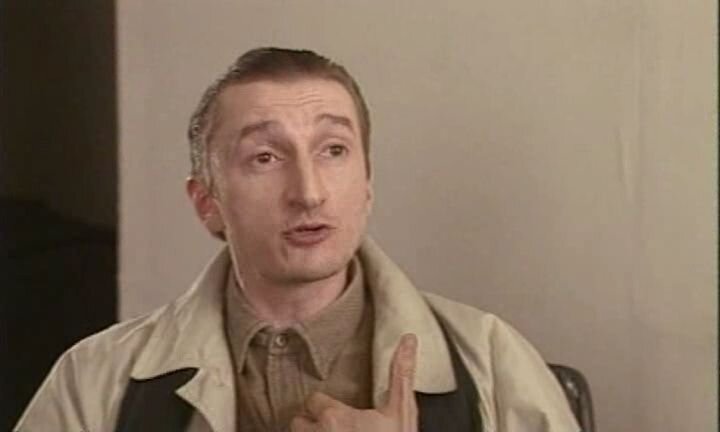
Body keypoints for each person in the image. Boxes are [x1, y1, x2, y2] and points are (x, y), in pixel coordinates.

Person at [15, 47, 579, 432]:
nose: (308, 192)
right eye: (265, 157)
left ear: (367, 184)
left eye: (333, 150)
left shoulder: (491, 363)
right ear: (207, 202)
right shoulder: (95, 381)